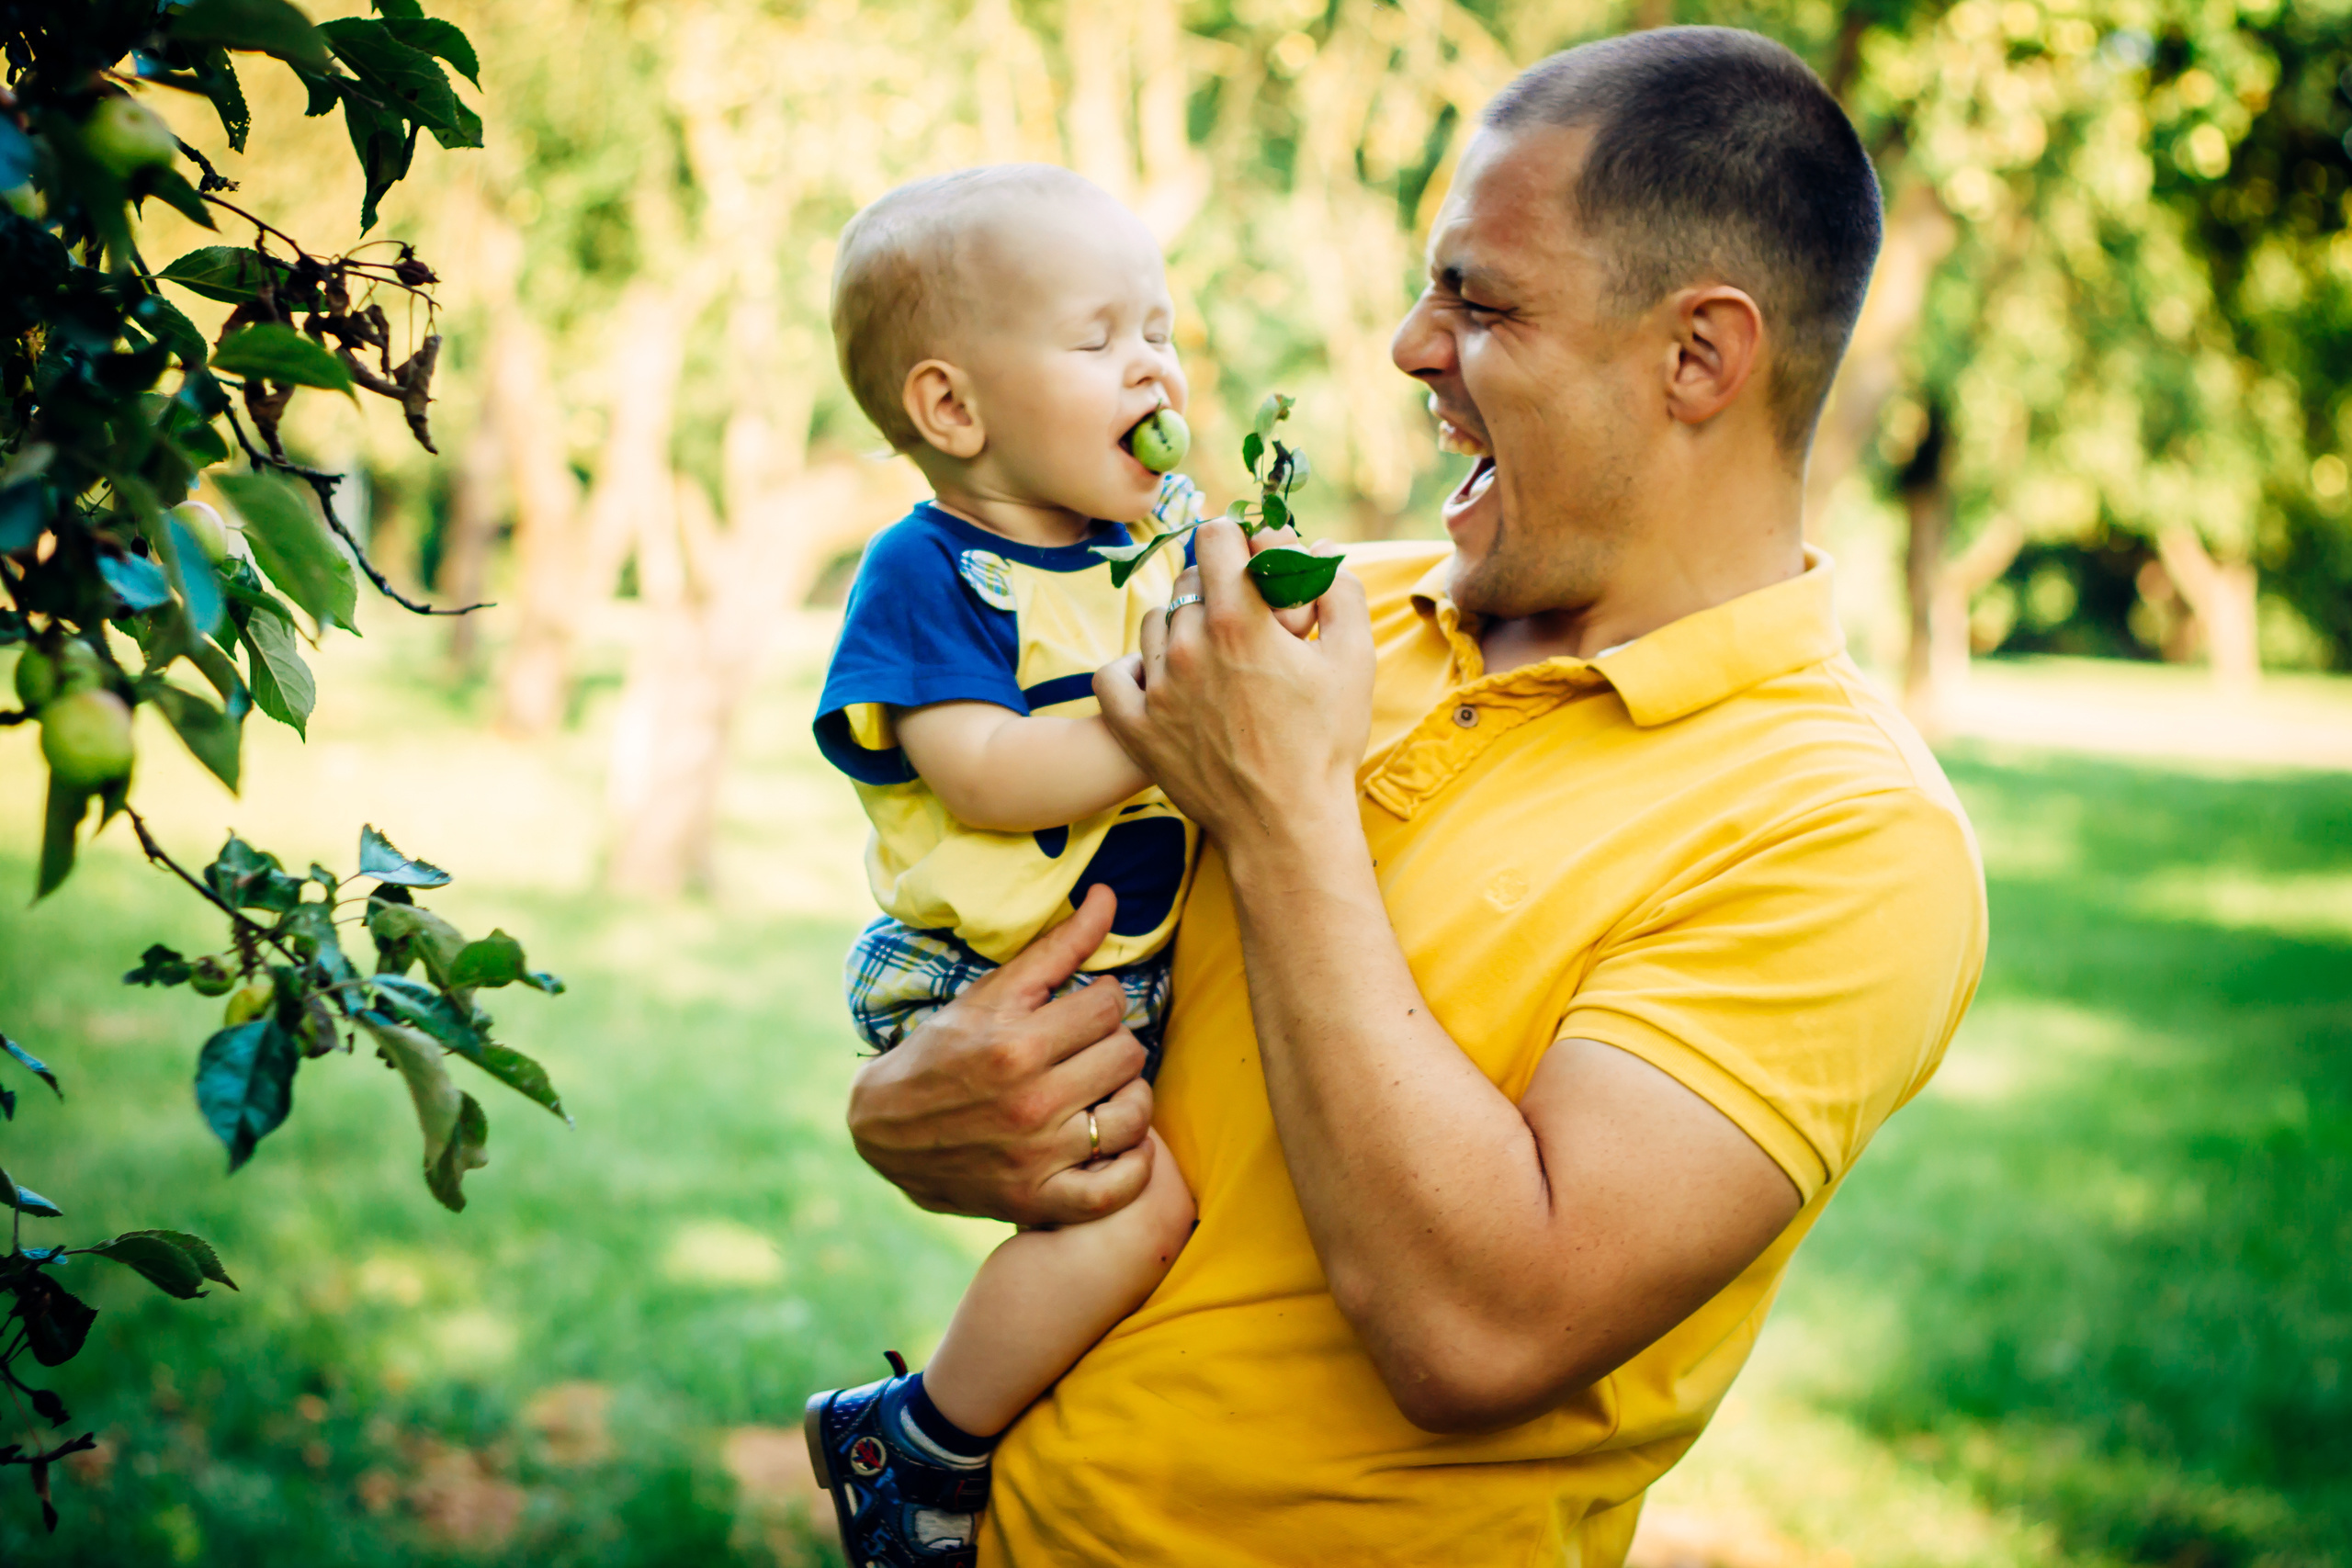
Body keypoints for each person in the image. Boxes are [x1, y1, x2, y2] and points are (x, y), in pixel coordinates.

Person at [842, 27, 1991, 1567]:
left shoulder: (1849, 837)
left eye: (1480, 299)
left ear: (1700, 357)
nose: (1406, 345)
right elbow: (1008, 929)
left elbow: (1478, 1333)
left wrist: (1285, 809)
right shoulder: (1307, 619)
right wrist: (915, 1112)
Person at [801, 165, 1216, 1567]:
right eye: (1097, 339)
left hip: (1107, 975)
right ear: (952, 410)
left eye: (1157, 327)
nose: (1151, 361)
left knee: (1165, 1212)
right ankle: (914, 1439)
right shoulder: (927, 571)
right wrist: (1173, 724)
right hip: (974, 978)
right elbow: (984, 773)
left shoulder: (1141, 555)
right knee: (1133, 1216)